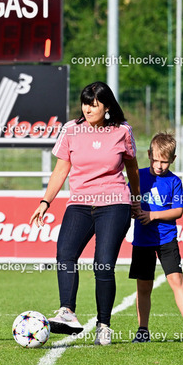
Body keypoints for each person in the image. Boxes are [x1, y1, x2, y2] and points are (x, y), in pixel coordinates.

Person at [29, 81, 140, 345]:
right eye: (85, 103)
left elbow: (133, 168)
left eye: (94, 104)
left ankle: (104, 325)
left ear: (107, 106)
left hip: (115, 203)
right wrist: (45, 202)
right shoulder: (71, 129)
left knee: (102, 263)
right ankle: (67, 312)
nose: (88, 109)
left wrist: (137, 200)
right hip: (79, 203)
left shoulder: (122, 131)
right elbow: (61, 170)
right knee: (65, 253)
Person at [129, 132, 183, 344]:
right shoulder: (138, 176)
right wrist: (132, 209)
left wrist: (152, 214)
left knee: (176, 279)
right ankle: (143, 330)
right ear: (148, 155)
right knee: (144, 286)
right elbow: (127, 201)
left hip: (166, 239)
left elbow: (178, 210)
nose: (159, 165)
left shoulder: (174, 181)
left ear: (173, 159)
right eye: (155, 160)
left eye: (164, 161)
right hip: (142, 240)